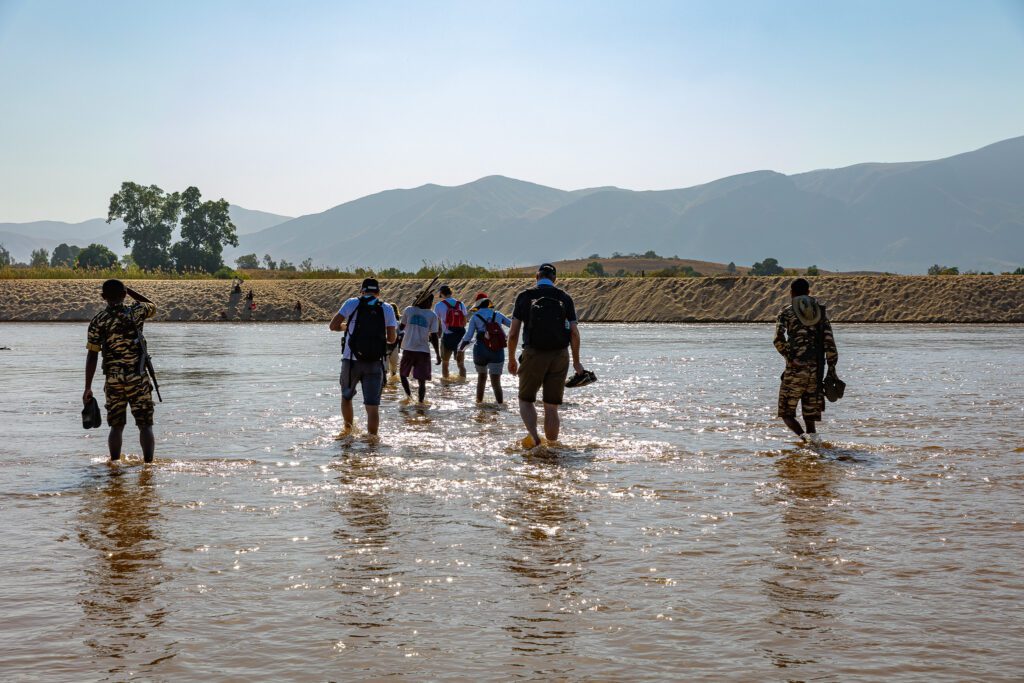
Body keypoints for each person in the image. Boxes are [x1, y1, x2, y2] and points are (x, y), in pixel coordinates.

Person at [507, 263, 587, 447]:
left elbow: (512, 334)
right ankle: (552, 447)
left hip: (533, 353)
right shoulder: (564, 298)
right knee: (551, 406)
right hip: (560, 355)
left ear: (537, 277)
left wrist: (511, 358)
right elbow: (574, 333)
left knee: (526, 400)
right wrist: (576, 362)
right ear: (555, 279)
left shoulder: (525, 296)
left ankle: (535, 438)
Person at [83, 279, 158, 463]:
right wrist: (129, 290)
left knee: (116, 427)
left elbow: (92, 355)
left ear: (103, 297)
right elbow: (152, 305)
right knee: (145, 425)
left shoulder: (98, 320)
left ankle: (114, 466)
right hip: (138, 377)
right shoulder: (136, 312)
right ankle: (148, 466)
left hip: (113, 379)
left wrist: (87, 387)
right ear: (124, 295)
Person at [329, 278, 398, 436]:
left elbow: (333, 326)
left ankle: (348, 432)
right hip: (374, 362)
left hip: (351, 361)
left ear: (362, 291)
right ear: (378, 292)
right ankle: (372, 442)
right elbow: (392, 339)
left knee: (347, 397)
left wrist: (346, 327)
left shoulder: (351, 303)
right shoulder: (387, 308)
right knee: (372, 406)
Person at [774, 278, 838, 443]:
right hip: (816, 371)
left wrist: (791, 359)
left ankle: (805, 441)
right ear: (809, 292)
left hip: (795, 369)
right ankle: (815, 444)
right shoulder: (820, 314)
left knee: (786, 412)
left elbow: (778, 339)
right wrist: (831, 372)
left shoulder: (786, 312)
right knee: (810, 414)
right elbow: (830, 344)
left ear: (791, 293)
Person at [458, 292, 512, 404]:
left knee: (481, 379)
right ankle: (500, 405)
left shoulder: (475, 317)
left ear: (477, 306)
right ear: (489, 305)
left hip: (480, 350)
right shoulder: (498, 314)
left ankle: (479, 404)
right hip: (497, 349)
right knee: (496, 382)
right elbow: (513, 326)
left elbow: (469, 336)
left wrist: (460, 349)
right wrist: (506, 337)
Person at [399, 293, 441, 403]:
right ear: (425, 301)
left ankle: (412, 398)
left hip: (411, 349)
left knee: (404, 375)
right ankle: (417, 401)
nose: (431, 304)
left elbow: (401, 327)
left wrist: (437, 353)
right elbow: (435, 336)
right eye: (430, 302)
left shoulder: (409, 310)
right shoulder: (431, 315)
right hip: (421, 351)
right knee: (418, 380)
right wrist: (437, 353)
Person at [434, 285, 468, 378]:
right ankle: (462, 383)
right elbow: (465, 322)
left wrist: (438, 333)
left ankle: (446, 386)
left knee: (445, 364)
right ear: (451, 292)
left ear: (441, 294)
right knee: (461, 364)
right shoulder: (460, 304)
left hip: (447, 337)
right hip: (460, 337)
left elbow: (436, 323)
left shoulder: (438, 305)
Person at [385, 302, 402, 380]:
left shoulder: (398, 322)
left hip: (392, 347)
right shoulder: (397, 322)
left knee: (390, 369)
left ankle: (387, 384)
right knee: (391, 369)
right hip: (391, 347)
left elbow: (400, 335)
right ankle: (390, 384)